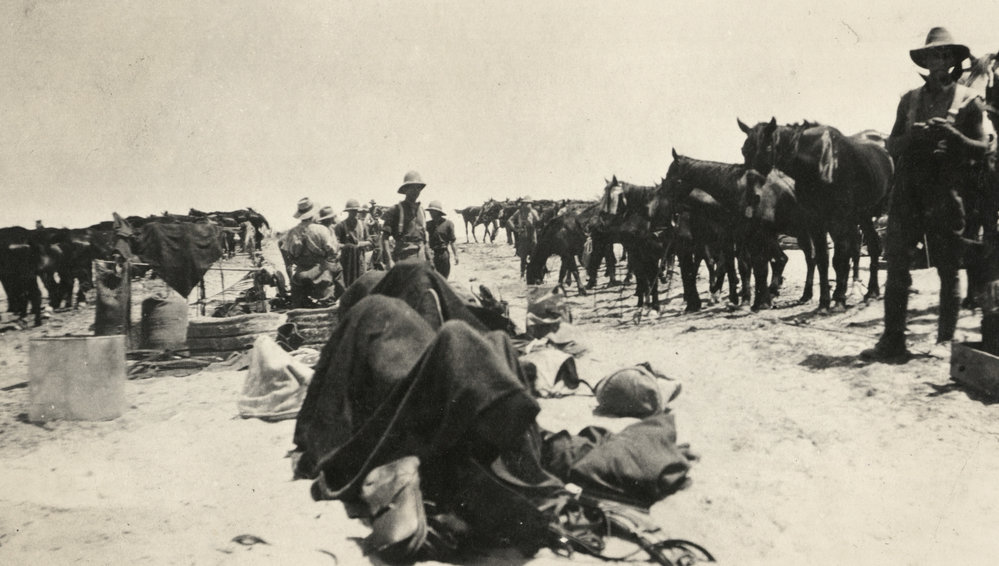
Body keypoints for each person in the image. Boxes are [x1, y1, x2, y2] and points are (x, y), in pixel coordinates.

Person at [862, 27, 996, 362]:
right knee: (896, 264)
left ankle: (945, 341)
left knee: (948, 266)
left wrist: (953, 136)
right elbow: (891, 145)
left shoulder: (969, 101)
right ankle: (892, 341)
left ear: (953, 60)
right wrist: (912, 137)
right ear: (924, 60)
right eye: (932, 54)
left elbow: (982, 149)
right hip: (908, 191)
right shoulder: (909, 100)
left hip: (946, 191)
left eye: (944, 54)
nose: (938, 60)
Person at [279, 198, 342, 308]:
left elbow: (287, 252)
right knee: (338, 268)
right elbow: (333, 251)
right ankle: (340, 298)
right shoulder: (321, 229)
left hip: (300, 274)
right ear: (313, 213)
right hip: (320, 272)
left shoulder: (292, 232)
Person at [381, 171, 431, 268]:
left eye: (418, 188)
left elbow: (424, 239)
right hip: (403, 257)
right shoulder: (395, 210)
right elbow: (385, 238)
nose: (416, 191)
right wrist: (389, 260)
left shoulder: (421, 211)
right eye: (412, 187)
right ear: (405, 189)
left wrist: (429, 259)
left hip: (421, 258)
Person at [334, 199, 374, 287]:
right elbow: (336, 244)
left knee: (360, 281)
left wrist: (360, 244)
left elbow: (370, 241)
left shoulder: (362, 225)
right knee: (346, 282)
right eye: (352, 211)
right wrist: (348, 246)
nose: (354, 213)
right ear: (348, 212)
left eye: (356, 211)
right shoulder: (341, 225)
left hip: (360, 258)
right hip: (346, 259)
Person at [506, 197, 540, 279]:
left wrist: (535, 220)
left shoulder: (533, 212)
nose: (528, 205)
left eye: (529, 203)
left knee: (534, 255)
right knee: (523, 256)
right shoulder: (519, 212)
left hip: (532, 234)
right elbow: (509, 220)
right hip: (523, 235)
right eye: (526, 203)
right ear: (523, 204)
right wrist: (515, 229)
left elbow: (538, 222)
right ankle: (522, 273)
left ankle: (534, 273)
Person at [426, 200, 459, 279]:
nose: (430, 213)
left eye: (432, 211)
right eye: (430, 211)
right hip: (432, 254)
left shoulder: (448, 224)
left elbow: (452, 241)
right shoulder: (428, 224)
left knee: (444, 277)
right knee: (432, 278)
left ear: (438, 212)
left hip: (444, 254)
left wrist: (456, 255)